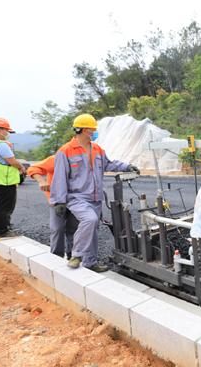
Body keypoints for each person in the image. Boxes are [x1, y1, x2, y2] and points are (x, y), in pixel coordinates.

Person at [50, 113, 139, 272]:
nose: (95, 132)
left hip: (96, 198)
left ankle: (90, 263)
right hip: (77, 197)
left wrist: (127, 167)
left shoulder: (97, 149)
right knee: (89, 220)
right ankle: (77, 255)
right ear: (85, 130)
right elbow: (59, 178)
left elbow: (109, 164)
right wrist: (59, 201)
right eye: (93, 130)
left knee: (93, 230)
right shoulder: (65, 151)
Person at [28, 156, 77, 259]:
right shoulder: (57, 159)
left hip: (76, 200)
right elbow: (33, 169)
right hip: (58, 201)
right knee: (57, 228)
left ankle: (72, 255)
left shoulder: (84, 159)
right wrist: (41, 181)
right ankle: (56, 256)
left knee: (73, 229)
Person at [0, 118, 26, 237]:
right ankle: (3, 231)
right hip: (4, 181)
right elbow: (12, 161)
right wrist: (21, 167)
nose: (7, 133)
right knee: (4, 208)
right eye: (6, 130)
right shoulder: (0, 144)